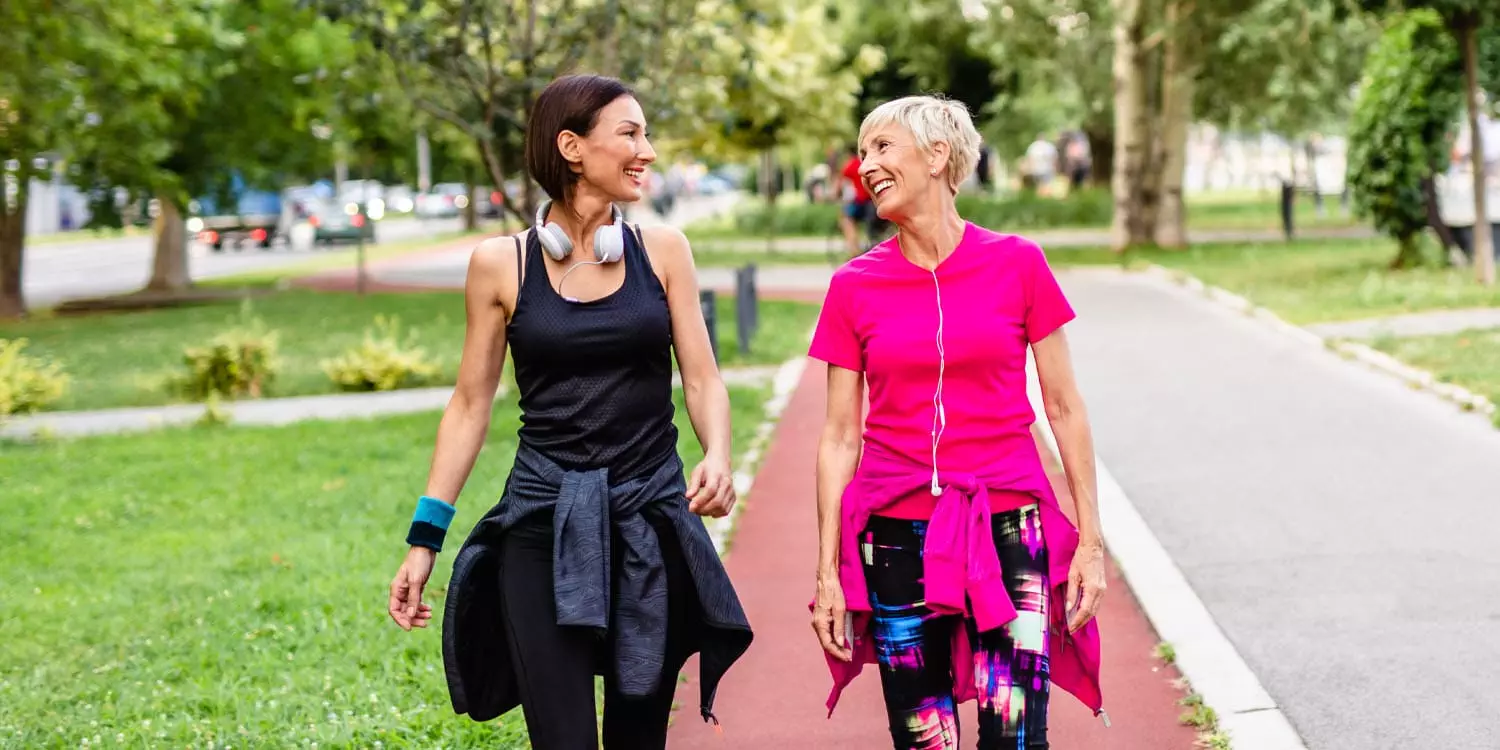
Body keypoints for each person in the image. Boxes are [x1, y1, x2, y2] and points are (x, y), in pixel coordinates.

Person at [385, 73, 753, 750]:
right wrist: (424, 538)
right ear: (572, 147)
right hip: (541, 525)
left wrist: (720, 456)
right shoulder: (501, 264)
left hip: (649, 521)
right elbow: (470, 406)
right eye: (630, 133)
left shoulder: (663, 250)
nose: (647, 150)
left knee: (638, 738)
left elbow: (702, 379)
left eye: (645, 134)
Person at [808, 95, 1108, 749]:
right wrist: (828, 570)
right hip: (894, 531)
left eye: (882, 147)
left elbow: (1063, 405)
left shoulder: (1018, 263)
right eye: (863, 152)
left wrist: (1089, 540)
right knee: (923, 736)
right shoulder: (853, 285)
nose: (866, 165)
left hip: (1009, 526)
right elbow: (838, 436)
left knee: (1016, 731)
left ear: (938, 155)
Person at [838, 144, 875, 256]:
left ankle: (854, 250)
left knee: (846, 220)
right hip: (872, 202)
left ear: (848, 154)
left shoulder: (850, 165)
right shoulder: (866, 163)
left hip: (861, 202)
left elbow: (840, 185)